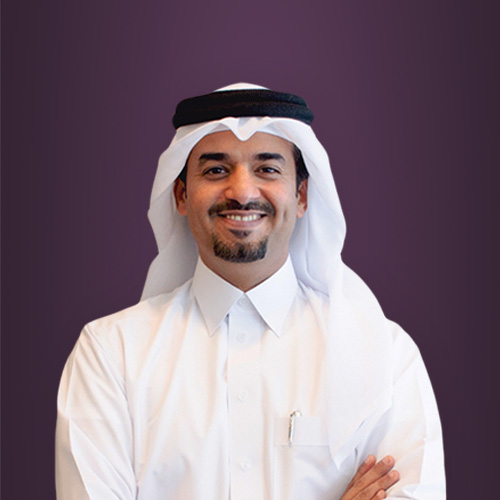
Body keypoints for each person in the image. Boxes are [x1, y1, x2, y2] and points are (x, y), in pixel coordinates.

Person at [55, 83, 446, 499]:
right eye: (216, 170)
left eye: (267, 169)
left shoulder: (385, 355)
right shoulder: (111, 354)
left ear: (301, 195)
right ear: (182, 196)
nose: (242, 192)